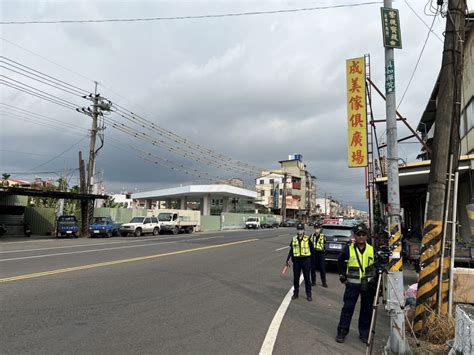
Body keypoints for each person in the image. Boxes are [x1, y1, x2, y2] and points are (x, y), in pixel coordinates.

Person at [335, 223, 376, 344]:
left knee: (366, 310)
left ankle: (364, 333)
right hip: (352, 285)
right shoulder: (349, 248)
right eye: (359, 235)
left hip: (368, 285)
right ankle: (342, 331)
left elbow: (377, 265)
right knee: (348, 308)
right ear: (355, 236)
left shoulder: (372, 249)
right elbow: (340, 261)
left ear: (367, 236)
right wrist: (342, 276)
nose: (361, 237)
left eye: (363, 234)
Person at [285, 223, 313, 301]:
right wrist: (287, 260)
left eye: (301, 229)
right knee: (296, 278)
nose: (300, 231)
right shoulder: (294, 239)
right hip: (297, 261)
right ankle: (296, 293)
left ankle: (309, 294)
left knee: (307, 278)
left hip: (305, 260)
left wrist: (311, 261)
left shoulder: (307, 239)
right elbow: (291, 250)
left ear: (304, 230)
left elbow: (312, 250)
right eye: (299, 229)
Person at [310, 223, 327, 287]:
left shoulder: (323, 236)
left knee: (322, 268)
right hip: (314, 253)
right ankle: (313, 282)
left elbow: (325, 244)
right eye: (316, 228)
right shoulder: (311, 236)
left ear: (320, 229)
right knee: (313, 268)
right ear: (314, 229)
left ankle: (324, 282)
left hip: (321, 254)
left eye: (318, 228)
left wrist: (323, 251)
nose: (317, 229)